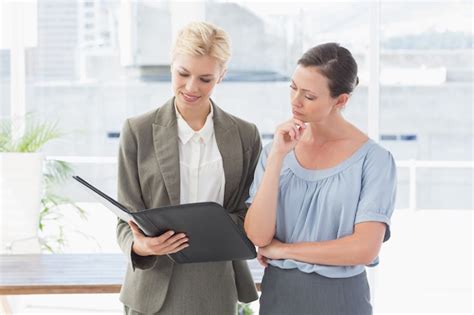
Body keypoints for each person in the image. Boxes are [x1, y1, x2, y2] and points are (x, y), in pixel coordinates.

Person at [116, 21, 261, 315]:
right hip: (152, 286)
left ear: (222, 76)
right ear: (172, 65)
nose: (192, 87)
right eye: (183, 74)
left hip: (216, 285)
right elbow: (124, 217)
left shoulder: (245, 135)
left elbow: (251, 211)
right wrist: (141, 246)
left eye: (205, 78)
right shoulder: (138, 131)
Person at [244, 42, 397, 315]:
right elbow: (258, 235)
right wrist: (279, 156)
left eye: (309, 96)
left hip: (342, 300)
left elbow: (364, 248)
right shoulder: (275, 150)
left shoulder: (374, 160)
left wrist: (284, 251)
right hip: (279, 295)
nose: (295, 101)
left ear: (341, 101)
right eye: (293, 88)